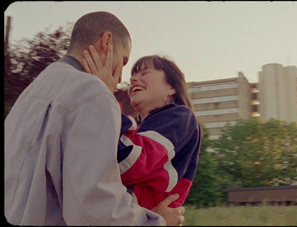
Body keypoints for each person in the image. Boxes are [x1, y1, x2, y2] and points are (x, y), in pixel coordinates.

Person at [4, 11, 184, 226]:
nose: (119, 78)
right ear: (107, 42)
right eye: (123, 62)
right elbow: (97, 212)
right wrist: (158, 222)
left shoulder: (28, 96)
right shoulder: (92, 94)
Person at [82, 51, 201, 210]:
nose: (132, 79)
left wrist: (104, 94)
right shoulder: (137, 128)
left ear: (171, 86)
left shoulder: (181, 117)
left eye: (145, 72)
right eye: (132, 77)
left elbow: (128, 162)